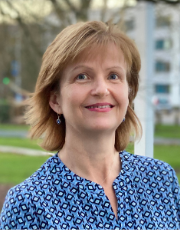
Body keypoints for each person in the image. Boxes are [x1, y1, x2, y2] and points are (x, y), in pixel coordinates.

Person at [0, 21, 179, 230]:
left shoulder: (161, 180)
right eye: (82, 76)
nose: (102, 89)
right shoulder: (28, 204)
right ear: (55, 100)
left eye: (113, 76)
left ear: (128, 94)